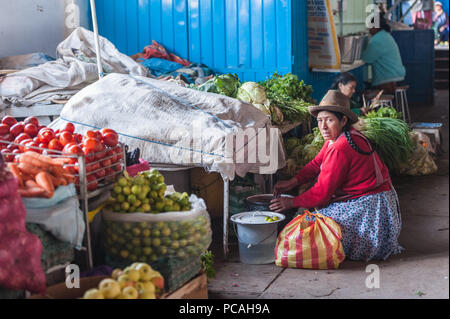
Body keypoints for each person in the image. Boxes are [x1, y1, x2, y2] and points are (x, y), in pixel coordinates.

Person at [269, 90, 403, 261]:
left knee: (313, 233)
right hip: (378, 199)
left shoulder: (341, 147)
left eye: (329, 120)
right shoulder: (339, 137)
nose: (323, 126)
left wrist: (291, 202)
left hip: (370, 209)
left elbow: (321, 194)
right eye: (319, 120)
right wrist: (292, 182)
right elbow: (316, 163)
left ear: (343, 120)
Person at [361, 13, 406, 95]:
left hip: (388, 78)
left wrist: (361, 50)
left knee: (364, 91)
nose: (369, 30)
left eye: (370, 27)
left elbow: (366, 58)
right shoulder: (385, 36)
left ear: (376, 27)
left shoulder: (377, 40)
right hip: (396, 74)